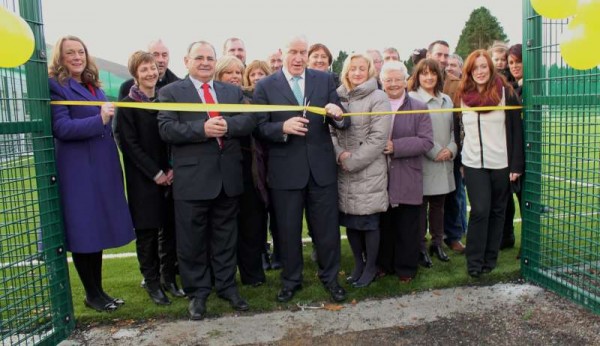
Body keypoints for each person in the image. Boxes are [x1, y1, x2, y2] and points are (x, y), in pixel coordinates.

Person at [157, 40, 257, 320]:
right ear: (186, 60)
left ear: (216, 62)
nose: (204, 62)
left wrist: (228, 125)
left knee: (226, 238)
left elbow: (249, 121)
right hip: (192, 181)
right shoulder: (170, 93)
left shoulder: (231, 91)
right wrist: (201, 129)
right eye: (199, 57)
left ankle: (227, 287)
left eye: (210, 58)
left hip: (227, 178)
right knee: (191, 242)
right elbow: (166, 129)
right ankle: (198, 293)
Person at [253, 35, 350, 303]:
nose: (298, 58)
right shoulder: (265, 86)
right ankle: (291, 281)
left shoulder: (324, 80)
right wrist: (281, 128)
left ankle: (331, 278)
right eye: (293, 52)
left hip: (321, 171)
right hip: (285, 173)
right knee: (287, 230)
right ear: (281, 53)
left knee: (327, 231)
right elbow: (259, 127)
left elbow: (341, 120)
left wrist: (337, 114)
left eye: (302, 52)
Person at [48, 35, 134, 312]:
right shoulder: (56, 86)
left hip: (100, 167)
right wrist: (100, 119)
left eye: (80, 52)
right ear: (60, 58)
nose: (76, 57)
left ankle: (98, 292)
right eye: (70, 53)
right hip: (78, 172)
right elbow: (62, 129)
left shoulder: (91, 85)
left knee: (95, 231)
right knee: (84, 231)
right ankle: (92, 294)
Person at [116, 51, 180, 305]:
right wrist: (156, 173)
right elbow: (129, 145)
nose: (151, 73)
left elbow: (172, 136)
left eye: (153, 68)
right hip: (144, 179)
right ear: (135, 74)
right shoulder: (127, 105)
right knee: (148, 234)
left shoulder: (166, 100)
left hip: (171, 176)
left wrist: (172, 167)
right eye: (144, 69)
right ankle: (152, 283)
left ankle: (169, 280)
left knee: (170, 231)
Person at [454, 49, 524, 278]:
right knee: (480, 210)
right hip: (474, 163)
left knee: (497, 211)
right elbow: (458, 129)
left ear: (491, 68)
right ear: (469, 71)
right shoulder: (462, 95)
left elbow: (515, 131)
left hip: (501, 163)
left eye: (484, 66)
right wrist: (461, 159)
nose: (480, 71)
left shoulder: (507, 93)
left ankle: (490, 259)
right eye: (476, 68)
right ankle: (474, 261)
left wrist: (515, 166)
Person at [332, 52, 391, 288]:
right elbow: (329, 132)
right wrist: (338, 155)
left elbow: (378, 138)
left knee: (368, 222)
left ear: (369, 71)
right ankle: (358, 264)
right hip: (343, 168)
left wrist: (352, 161)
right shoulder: (337, 96)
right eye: (352, 68)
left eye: (362, 68)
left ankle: (370, 267)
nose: (357, 73)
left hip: (368, 170)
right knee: (351, 221)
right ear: (346, 71)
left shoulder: (379, 97)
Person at [215, 56, 270, 286]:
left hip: (250, 169)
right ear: (219, 75)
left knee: (253, 224)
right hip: (221, 171)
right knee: (226, 228)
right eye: (229, 72)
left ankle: (253, 274)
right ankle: (224, 277)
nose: (235, 76)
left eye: (239, 72)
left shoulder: (251, 99)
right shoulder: (211, 98)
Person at [377, 61, 434, 282]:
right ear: (382, 81)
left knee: (408, 225)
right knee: (384, 223)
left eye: (397, 79)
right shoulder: (375, 105)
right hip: (380, 175)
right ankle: (384, 264)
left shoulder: (419, 107)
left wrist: (396, 147)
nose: (393, 84)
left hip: (407, 173)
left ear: (405, 80)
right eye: (388, 80)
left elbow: (427, 141)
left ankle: (406, 269)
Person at [408, 59, 457, 266]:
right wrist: (436, 151)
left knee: (439, 206)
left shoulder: (446, 99)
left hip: (445, 161)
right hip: (424, 161)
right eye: (424, 73)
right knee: (421, 208)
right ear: (417, 76)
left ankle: (437, 243)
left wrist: (452, 149)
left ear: (439, 76)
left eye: (433, 73)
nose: (429, 77)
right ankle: (419, 246)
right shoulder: (411, 99)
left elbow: (456, 129)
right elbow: (415, 131)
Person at [427, 39, 465, 254]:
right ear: (429, 54)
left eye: (445, 55)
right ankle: (424, 240)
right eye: (439, 54)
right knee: (423, 198)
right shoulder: (413, 81)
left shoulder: (456, 83)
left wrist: (453, 148)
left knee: (453, 194)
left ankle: (453, 236)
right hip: (423, 148)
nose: (442, 59)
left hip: (452, 148)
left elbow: (459, 120)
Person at [241, 60, 279, 271]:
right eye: (252, 74)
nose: (257, 77)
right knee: (258, 211)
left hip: (275, 157)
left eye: (261, 73)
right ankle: (261, 251)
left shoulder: (273, 96)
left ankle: (278, 251)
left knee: (277, 210)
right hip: (255, 162)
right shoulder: (243, 98)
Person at [502, 43, 524, 251]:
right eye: (511, 63)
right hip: (513, 155)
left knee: (525, 202)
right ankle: (508, 238)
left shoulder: (530, 88)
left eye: (519, 62)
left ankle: (529, 246)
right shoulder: (513, 88)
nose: (515, 66)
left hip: (525, 155)